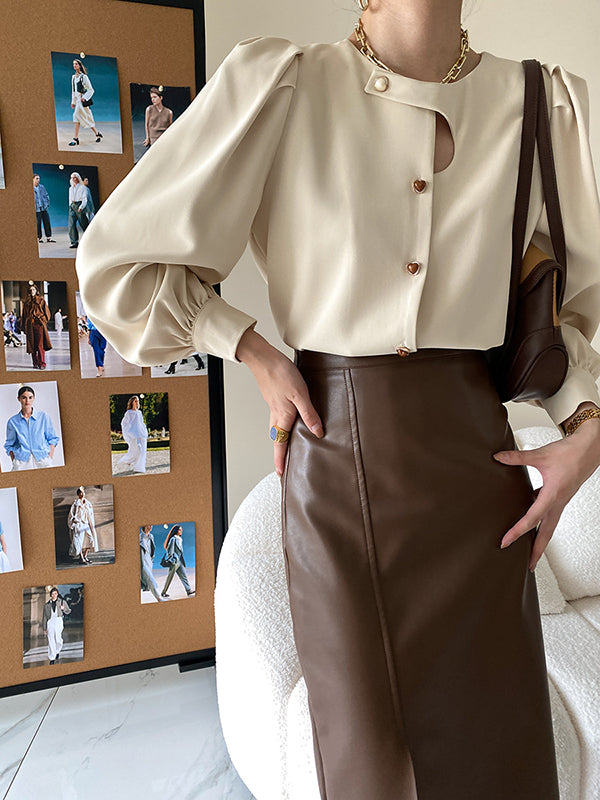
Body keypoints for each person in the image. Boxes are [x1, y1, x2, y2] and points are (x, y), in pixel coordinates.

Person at [74, 2, 600, 796]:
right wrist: (250, 348)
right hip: (339, 481)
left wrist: (587, 427)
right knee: (369, 768)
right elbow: (117, 264)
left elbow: (567, 317)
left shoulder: (540, 104)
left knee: (504, 760)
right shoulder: (286, 85)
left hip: (480, 487)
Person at [4, 385, 60, 470]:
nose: (27, 401)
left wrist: (49, 458)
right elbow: (10, 444)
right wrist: (15, 461)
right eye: (24, 397)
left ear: (33, 398)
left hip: (42, 460)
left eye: (30, 397)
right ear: (19, 399)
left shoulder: (43, 417)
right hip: (22, 462)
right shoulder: (13, 421)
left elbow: (52, 438)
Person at [69, 58, 103, 146]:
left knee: (78, 117)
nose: (74, 65)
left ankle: (75, 139)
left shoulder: (84, 77)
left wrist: (84, 98)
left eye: (76, 64)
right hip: (77, 102)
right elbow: (73, 90)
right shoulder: (73, 77)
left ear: (80, 65)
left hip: (82, 102)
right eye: (73, 64)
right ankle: (97, 134)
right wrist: (73, 101)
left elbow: (91, 90)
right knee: (82, 118)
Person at [22, 283, 52, 369]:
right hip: (29, 325)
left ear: (36, 291)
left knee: (39, 345)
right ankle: (35, 362)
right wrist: (23, 327)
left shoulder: (41, 300)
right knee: (32, 345)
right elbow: (24, 316)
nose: (32, 291)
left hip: (38, 325)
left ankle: (42, 363)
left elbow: (47, 313)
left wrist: (42, 320)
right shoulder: (26, 302)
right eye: (30, 290)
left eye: (33, 289)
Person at [116, 395, 148, 473]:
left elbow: (142, 423)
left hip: (141, 434)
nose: (137, 403)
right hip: (134, 435)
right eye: (135, 401)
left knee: (142, 451)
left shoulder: (139, 413)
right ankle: (127, 460)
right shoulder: (129, 413)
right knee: (137, 449)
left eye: (137, 401)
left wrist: (144, 431)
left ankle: (139, 468)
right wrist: (130, 432)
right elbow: (124, 423)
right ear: (132, 402)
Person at [160, 525, 194, 598]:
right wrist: (173, 559)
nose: (181, 531)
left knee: (183, 576)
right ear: (176, 531)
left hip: (180, 561)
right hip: (175, 562)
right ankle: (163, 592)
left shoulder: (179, 539)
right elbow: (169, 551)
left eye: (181, 530)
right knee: (170, 578)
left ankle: (188, 591)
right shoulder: (173, 539)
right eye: (179, 530)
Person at [67, 486, 98, 565]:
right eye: (81, 492)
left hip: (86, 524)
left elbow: (90, 514)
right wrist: (74, 520)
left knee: (91, 540)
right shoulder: (75, 504)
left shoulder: (88, 503)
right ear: (78, 494)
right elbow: (71, 514)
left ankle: (85, 556)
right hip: (79, 524)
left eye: (83, 492)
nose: (83, 494)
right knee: (79, 541)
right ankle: (81, 558)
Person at [42, 587, 71, 664]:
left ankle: (57, 651)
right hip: (50, 622)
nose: (54, 595)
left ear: (57, 594)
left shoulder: (62, 602)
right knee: (51, 639)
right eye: (53, 594)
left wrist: (63, 609)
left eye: (55, 594)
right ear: (50, 595)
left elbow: (68, 611)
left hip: (58, 621)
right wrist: (44, 628)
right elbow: (44, 617)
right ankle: (52, 658)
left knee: (58, 639)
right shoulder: (47, 605)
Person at [139, 524, 166, 602]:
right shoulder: (139, 537)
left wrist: (151, 559)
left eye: (151, 525)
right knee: (150, 579)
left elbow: (152, 549)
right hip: (142, 562)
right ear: (144, 526)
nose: (151, 527)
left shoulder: (151, 536)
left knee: (147, 580)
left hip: (149, 561)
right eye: (149, 525)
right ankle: (158, 598)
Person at [67, 172, 89, 248]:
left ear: (78, 178)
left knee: (83, 223)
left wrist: (81, 207)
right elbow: (70, 198)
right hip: (72, 206)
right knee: (71, 224)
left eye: (75, 177)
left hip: (79, 205)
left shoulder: (82, 187)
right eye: (72, 178)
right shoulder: (70, 188)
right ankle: (74, 242)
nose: (73, 179)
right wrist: (70, 205)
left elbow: (84, 199)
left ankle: (89, 238)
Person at [33, 174, 56, 243]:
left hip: (43, 208)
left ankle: (49, 237)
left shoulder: (42, 187)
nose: (38, 180)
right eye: (37, 178)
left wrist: (46, 204)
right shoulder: (30, 188)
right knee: (38, 223)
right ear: (33, 179)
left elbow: (46, 195)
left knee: (47, 222)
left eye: (39, 178)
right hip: (36, 209)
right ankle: (39, 238)